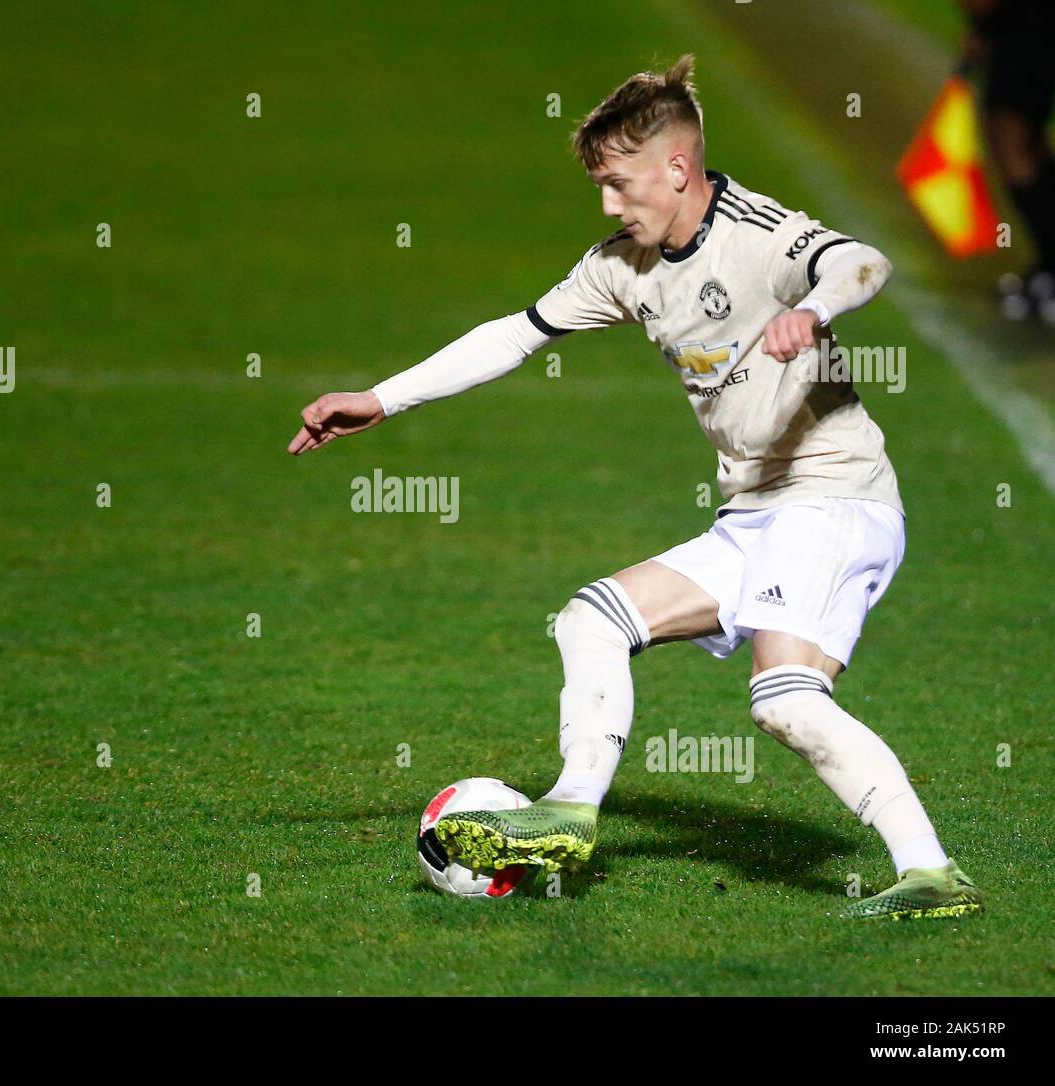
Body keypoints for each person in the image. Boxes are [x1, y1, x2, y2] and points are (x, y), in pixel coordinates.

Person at [287, 57, 983, 920]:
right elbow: (515, 334)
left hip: (836, 497)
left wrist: (817, 310)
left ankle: (931, 874)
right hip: (753, 513)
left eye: (619, 185)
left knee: (787, 701)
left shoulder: (760, 236)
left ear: (677, 169)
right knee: (592, 618)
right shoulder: (623, 265)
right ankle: (571, 812)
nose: (610, 206)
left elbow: (863, 261)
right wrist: (383, 399)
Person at [961, 0, 1055, 321]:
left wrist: (984, 27)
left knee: (1010, 134)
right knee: (1025, 136)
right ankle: (1049, 265)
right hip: (1023, 21)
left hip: (1025, 20)